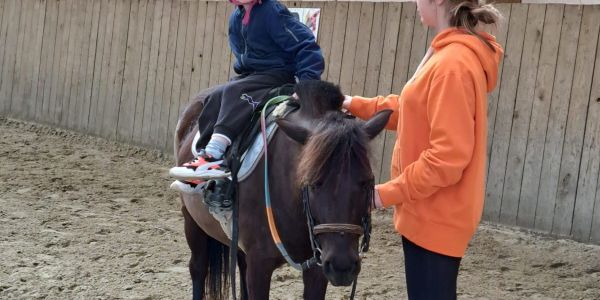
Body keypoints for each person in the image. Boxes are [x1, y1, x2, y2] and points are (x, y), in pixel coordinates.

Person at [343, 0, 503, 298]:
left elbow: (447, 159)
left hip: (437, 216)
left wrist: (381, 195)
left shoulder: (452, 65)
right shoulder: (443, 53)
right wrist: (353, 104)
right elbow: (411, 110)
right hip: (425, 210)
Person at [170, 0, 324, 194]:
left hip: (278, 73)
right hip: (252, 75)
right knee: (215, 96)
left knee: (235, 92)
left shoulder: (271, 11)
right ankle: (204, 164)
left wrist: (306, 84)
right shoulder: (236, 16)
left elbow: (306, 45)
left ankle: (214, 153)